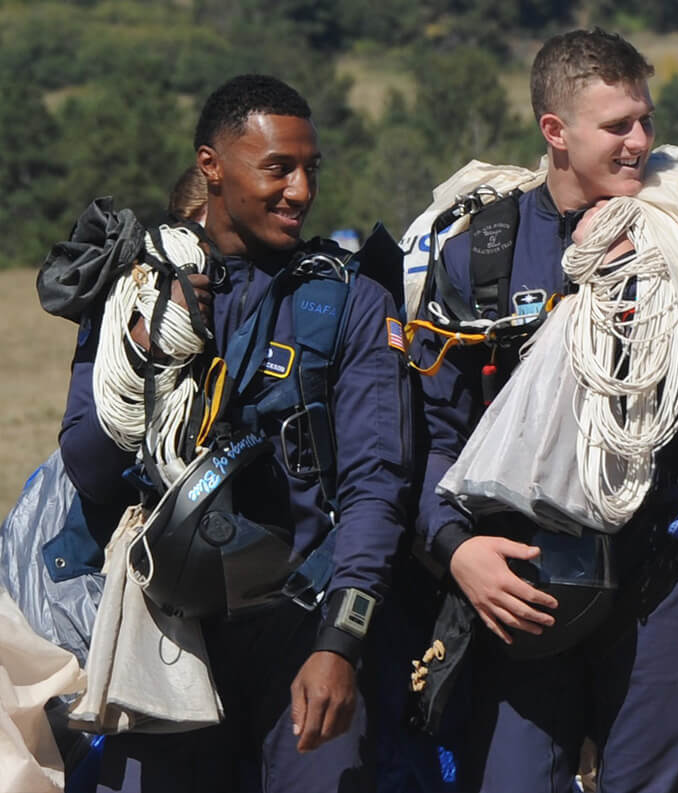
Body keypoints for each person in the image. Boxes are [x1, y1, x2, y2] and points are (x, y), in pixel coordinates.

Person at [58, 74, 412, 792]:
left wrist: (341, 643)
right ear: (212, 166)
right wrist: (146, 344)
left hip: (302, 631)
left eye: (312, 169)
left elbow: (379, 484)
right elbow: (92, 470)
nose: (301, 190)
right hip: (168, 640)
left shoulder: (350, 301)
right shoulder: (136, 291)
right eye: (278, 167)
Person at [411, 29, 678, 792]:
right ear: (556, 131)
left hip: (667, 579)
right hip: (523, 579)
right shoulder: (480, 254)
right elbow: (431, 432)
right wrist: (456, 548)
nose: (641, 141)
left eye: (645, 120)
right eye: (618, 125)